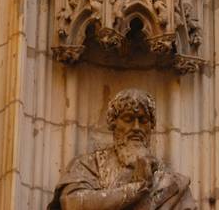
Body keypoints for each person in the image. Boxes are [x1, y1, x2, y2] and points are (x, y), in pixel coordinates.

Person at [49, 89, 192, 209]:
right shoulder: (89, 164)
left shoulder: (172, 183)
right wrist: (136, 189)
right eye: (128, 119)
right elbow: (72, 203)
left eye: (143, 120)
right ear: (113, 124)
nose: (136, 128)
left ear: (151, 127)